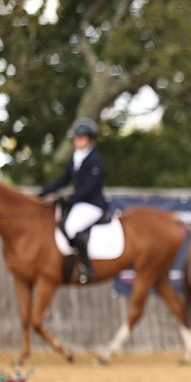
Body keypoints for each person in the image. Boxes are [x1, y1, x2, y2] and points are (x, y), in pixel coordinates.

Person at [39, 118, 109, 283]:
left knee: (71, 227)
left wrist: (70, 198)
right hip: (78, 203)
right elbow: (62, 181)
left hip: (92, 204)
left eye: (81, 138)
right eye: (76, 138)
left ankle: (87, 267)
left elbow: (90, 188)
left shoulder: (95, 161)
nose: (77, 141)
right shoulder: (75, 158)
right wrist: (42, 194)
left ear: (89, 139)